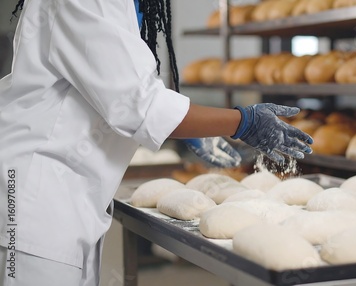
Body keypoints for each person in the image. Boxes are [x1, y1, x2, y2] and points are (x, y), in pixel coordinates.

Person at [0, 0, 312, 285]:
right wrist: (242, 122)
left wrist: (186, 124)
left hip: (62, 189)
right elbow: (139, 105)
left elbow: (121, 86)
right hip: (35, 194)